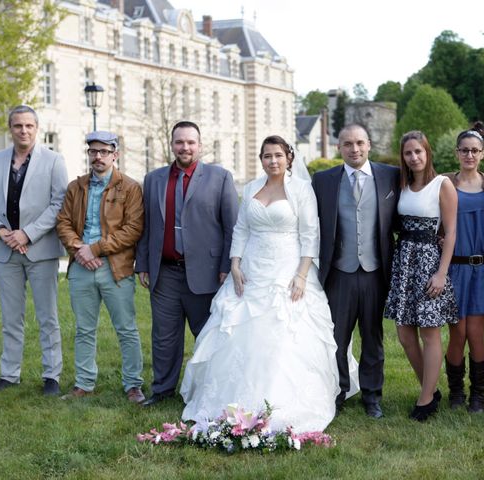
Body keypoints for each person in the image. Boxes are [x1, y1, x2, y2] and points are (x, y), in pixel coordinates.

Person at [180, 136, 340, 432]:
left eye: (278, 155)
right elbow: (241, 229)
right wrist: (235, 263)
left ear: (288, 158)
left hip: (287, 272)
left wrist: (302, 275)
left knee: (281, 337)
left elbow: (310, 235)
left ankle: (279, 403)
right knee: (236, 333)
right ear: (261, 159)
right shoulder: (252, 187)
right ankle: (229, 402)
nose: (273, 161)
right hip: (250, 273)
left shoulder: (302, 190)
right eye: (267, 156)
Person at [135, 121, 239, 407]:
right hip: (165, 272)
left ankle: (209, 390)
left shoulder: (220, 178)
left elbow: (232, 227)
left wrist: (226, 266)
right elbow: (147, 226)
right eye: (180, 142)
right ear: (172, 145)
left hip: (206, 274)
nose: (185, 147)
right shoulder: (154, 179)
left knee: (207, 336)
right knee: (164, 337)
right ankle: (162, 390)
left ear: (200, 145)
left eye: (191, 142)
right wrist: (142, 263)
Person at [0, 105, 67, 395]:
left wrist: (27, 233)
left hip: (40, 250)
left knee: (47, 316)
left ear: (36, 128)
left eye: (28, 126)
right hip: (5, 250)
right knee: (11, 317)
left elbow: (59, 203)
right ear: (10, 128)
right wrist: (1, 231)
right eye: (18, 126)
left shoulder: (54, 161)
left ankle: (51, 375)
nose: (23, 131)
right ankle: (9, 374)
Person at [312, 124, 401, 418]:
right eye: (348, 144)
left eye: (360, 143)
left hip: (376, 271)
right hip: (339, 272)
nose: (355, 149)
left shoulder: (391, 176)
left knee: (373, 337)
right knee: (337, 339)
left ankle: (372, 396)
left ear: (369, 145)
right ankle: (336, 393)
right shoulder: (323, 180)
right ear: (340, 148)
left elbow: (428, 181)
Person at [56, 131, 145, 403]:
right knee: (84, 329)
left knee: (126, 328)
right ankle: (84, 383)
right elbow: (63, 223)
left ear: (115, 154)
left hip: (115, 267)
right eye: (93, 151)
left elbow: (133, 229)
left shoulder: (129, 188)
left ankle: (133, 384)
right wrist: (79, 250)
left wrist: (94, 249)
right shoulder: (76, 187)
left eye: (104, 151)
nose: (98, 156)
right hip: (81, 266)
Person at [386, 131, 458, 422]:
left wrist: (441, 272)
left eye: (418, 151)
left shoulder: (443, 184)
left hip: (429, 262)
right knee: (404, 334)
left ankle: (426, 399)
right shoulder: (401, 184)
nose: (414, 157)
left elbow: (451, 231)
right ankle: (430, 388)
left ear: (427, 153)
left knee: (429, 332)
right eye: (408, 153)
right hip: (404, 260)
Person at [443, 121, 484, 413]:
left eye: (475, 150)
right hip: (454, 268)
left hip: (482, 268)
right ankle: (456, 391)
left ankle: (478, 395)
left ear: (482, 153)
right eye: (464, 150)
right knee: (457, 332)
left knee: (475, 333)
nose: (469, 155)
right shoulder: (445, 183)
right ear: (457, 153)